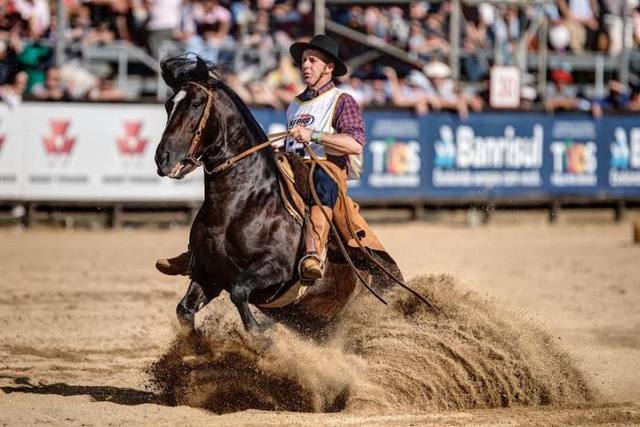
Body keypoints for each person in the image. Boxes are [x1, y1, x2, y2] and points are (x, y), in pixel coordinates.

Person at [156, 34, 366, 281]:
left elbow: (355, 144)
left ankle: (313, 253)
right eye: (303, 61)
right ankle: (198, 253)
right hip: (292, 167)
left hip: (325, 169)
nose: (305, 66)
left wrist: (315, 135)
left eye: (312, 61)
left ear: (329, 68)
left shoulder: (342, 101)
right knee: (236, 188)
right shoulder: (296, 104)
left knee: (321, 181)